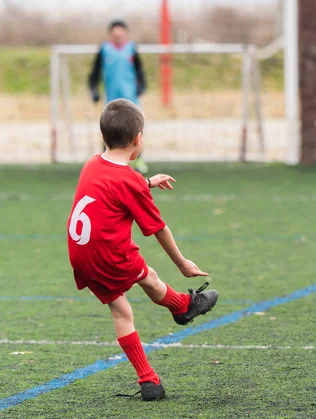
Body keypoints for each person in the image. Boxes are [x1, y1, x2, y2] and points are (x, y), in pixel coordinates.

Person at [66, 99, 219, 401]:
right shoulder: (129, 181)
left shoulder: (93, 163)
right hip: (110, 254)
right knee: (147, 275)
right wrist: (183, 264)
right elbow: (158, 229)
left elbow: (114, 186)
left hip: (81, 255)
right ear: (138, 140)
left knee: (121, 310)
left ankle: (149, 381)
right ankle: (182, 306)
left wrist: (146, 182)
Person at [88, 20, 149, 174]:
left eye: (120, 32)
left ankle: (138, 161)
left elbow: (139, 70)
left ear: (125, 33)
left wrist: (141, 86)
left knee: (136, 129)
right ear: (111, 34)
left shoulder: (131, 49)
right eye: (115, 32)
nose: (118, 35)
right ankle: (107, 162)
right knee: (109, 129)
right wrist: (94, 89)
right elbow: (95, 72)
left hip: (131, 98)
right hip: (112, 100)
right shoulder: (104, 49)